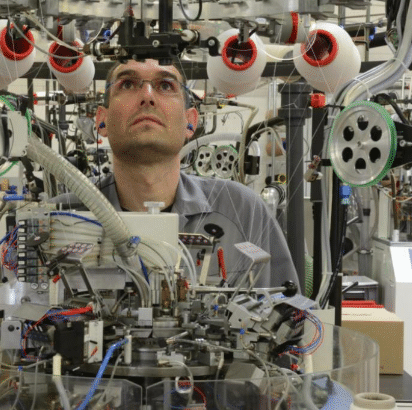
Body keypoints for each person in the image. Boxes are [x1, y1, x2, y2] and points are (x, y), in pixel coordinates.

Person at [56, 58, 298, 289]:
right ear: (101, 121)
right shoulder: (61, 219)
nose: (147, 97)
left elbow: (287, 321)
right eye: (128, 84)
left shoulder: (244, 211)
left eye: (165, 85)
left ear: (190, 123)